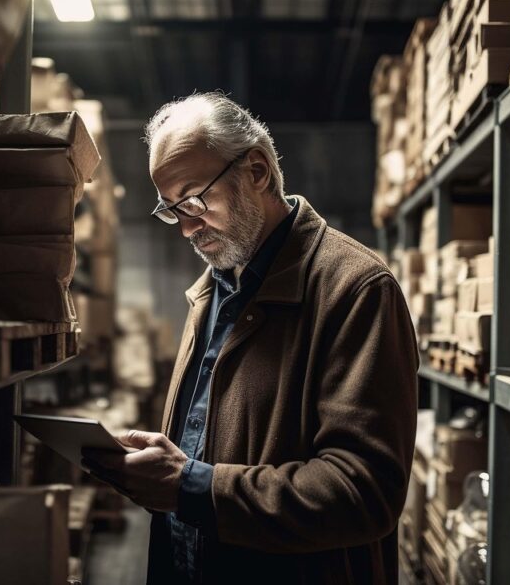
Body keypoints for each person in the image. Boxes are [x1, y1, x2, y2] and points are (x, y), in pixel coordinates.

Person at [83, 92, 418, 584]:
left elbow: (364, 492)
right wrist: (167, 460)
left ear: (257, 172)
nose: (186, 228)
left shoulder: (355, 290)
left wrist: (190, 486)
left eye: (194, 200)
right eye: (171, 210)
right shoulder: (214, 289)